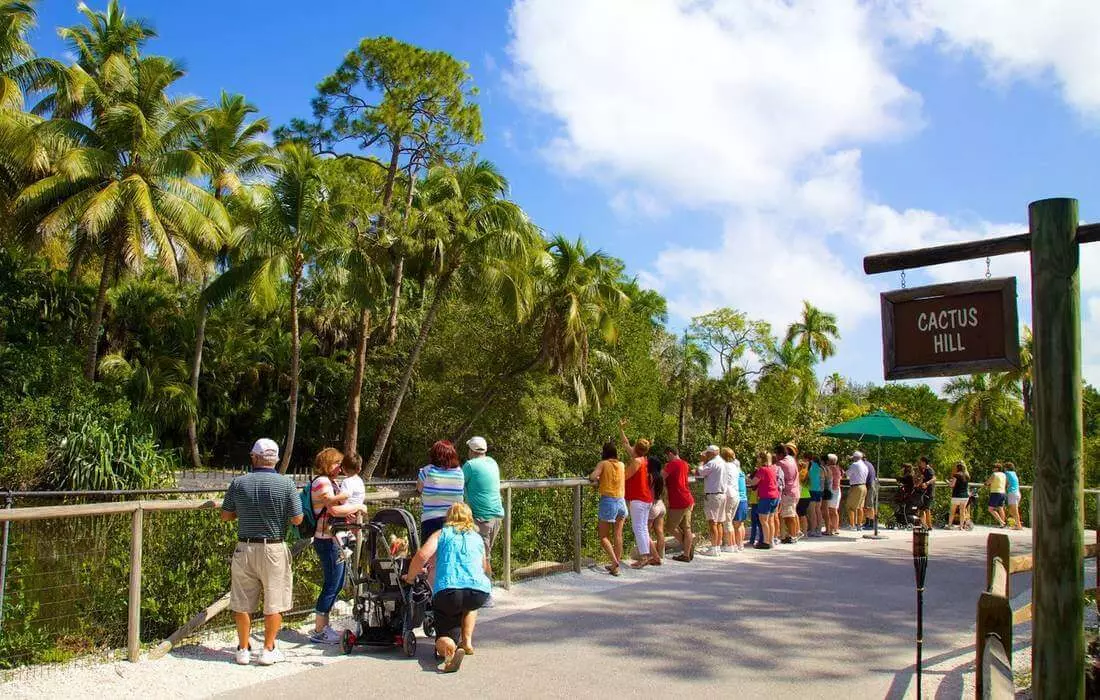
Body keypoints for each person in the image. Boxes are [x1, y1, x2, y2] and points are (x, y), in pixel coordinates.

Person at [220, 438, 303, 666]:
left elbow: (226, 515)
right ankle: (268, 649)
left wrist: (245, 513)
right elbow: (297, 518)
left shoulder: (239, 483)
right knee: (274, 600)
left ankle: (243, 648)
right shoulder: (286, 485)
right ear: (275, 459)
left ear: (254, 457)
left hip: (245, 547)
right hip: (274, 547)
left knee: (242, 601)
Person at [402, 502, 491, 673]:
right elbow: (484, 566)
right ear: (470, 518)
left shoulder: (441, 534)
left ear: (448, 517)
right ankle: (467, 641)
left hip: (448, 591)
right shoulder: (477, 537)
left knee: (444, 634)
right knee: (469, 606)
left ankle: (448, 649)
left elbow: (422, 555)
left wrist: (411, 577)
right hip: (478, 591)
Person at [309, 447, 370, 644]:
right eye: (336, 463)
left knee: (337, 582)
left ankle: (323, 626)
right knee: (332, 583)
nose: (339, 467)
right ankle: (320, 629)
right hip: (327, 538)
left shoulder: (332, 482)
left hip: (334, 538)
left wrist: (349, 511)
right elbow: (334, 510)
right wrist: (359, 507)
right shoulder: (323, 482)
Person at [461, 436, 505, 595]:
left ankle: (485, 593)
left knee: (482, 556)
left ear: (471, 451)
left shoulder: (470, 465)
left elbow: (459, 482)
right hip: (497, 516)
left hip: (481, 518)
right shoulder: (492, 462)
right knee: (485, 554)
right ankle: (480, 589)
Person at [619, 419, 659, 567]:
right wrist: (621, 429)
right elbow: (625, 444)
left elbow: (625, 476)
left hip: (639, 499)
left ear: (637, 447)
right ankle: (654, 556)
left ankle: (643, 558)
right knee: (642, 528)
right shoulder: (642, 458)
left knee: (639, 528)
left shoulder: (636, 462)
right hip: (645, 498)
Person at [590, 441, 627, 575]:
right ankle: (615, 566)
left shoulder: (603, 463)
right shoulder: (622, 464)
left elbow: (592, 477)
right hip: (621, 502)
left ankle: (614, 561)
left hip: (608, 501)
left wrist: (598, 477)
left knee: (603, 536)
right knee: (618, 534)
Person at [418, 440, 465, 541]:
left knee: (430, 555)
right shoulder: (459, 472)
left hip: (431, 519)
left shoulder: (427, 470)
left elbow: (419, 488)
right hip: (454, 519)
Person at [662, 447, 695, 562]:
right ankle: (686, 553)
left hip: (678, 500)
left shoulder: (672, 464)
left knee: (670, 527)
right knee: (686, 527)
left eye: (667, 455)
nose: (667, 458)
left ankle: (687, 547)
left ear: (670, 453)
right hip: (688, 499)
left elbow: (661, 477)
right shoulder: (685, 464)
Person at [696, 444, 727, 556]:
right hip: (722, 494)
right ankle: (717, 546)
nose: (706, 455)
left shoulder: (712, 463)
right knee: (719, 523)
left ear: (712, 453)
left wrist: (701, 461)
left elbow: (701, 471)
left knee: (712, 522)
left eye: (708, 453)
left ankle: (714, 548)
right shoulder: (723, 462)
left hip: (713, 495)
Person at [335, 452, 366, 561]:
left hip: (347, 512)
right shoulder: (360, 481)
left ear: (343, 469)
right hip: (357, 515)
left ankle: (345, 550)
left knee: (332, 528)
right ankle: (348, 546)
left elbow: (343, 497)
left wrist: (335, 497)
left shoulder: (347, 482)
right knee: (349, 533)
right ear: (359, 468)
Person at [749, 451, 779, 549]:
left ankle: (765, 542)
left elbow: (754, 482)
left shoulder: (762, 469)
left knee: (763, 520)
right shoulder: (772, 469)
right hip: (775, 496)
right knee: (770, 520)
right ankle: (771, 540)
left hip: (766, 496)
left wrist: (746, 478)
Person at [776, 443, 800, 544]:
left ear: (780, 454)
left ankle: (792, 535)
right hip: (795, 491)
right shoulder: (792, 459)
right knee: (791, 514)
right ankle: (791, 534)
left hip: (787, 492)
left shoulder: (781, 463)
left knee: (788, 516)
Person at [720, 447, 742, 553]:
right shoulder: (735, 466)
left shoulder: (725, 466)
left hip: (728, 495)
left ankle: (730, 544)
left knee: (727, 521)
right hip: (736, 494)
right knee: (730, 521)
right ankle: (733, 544)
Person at [647, 450, 667, 562]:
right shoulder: (660, 477)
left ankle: (652, 555)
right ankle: (661, 553)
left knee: (645, 532)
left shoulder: (649, 477)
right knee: (660, 531)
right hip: (660, 504)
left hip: (652, 506)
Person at [845, 452, 869, 531]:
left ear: (855, 457)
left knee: (850, 506)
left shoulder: (854, 465)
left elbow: (847, 474)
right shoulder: (865, 466)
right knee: (860, 507)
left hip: (856, 487)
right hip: (864, 486)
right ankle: (859, 525)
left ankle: (852, 525)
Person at [947, 462, 970, 530]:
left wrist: (948, 482)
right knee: (962, 512)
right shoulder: (967, 475)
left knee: (952, 511)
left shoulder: (956, 475)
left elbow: (952, 485)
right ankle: (961, 526)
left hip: (956, 495)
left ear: (957, 468)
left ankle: (949, 525)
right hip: (965, 496)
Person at [807, 453, 825, 537]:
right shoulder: (821, 468)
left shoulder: (810, 466)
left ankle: (813, 530)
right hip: (819, 491)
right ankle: (819, 530)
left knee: (812, 511)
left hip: (812, 490)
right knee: (818, 510)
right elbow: (822, 481)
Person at [985, 462, 1008, 527]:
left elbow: (988, 482)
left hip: (995, 493)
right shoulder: (1004, 475)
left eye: (993, 468)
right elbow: (1006, 483)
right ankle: (1002, 524)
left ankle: (1002, 522)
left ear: (997, 469)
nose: (992, 469)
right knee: (1000, 508)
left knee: (990, 509)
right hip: (1003, 492)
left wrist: (986, 484)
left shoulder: (994, 474)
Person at [916, 456, 936, 529]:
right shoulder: (924, 470)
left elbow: (934, 478)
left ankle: (925, 525)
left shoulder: (929, 470)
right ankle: (928, 525)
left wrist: (926, 483)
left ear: (924, 462)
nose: (920, 463)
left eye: (921, 462)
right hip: (926, 492)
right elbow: (922, 479)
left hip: (928, 492)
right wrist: (917, 485)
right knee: (926, 509)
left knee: (923, 509)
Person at [825, 454, 842, 535]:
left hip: (831, 490)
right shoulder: (838, 468)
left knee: (830, 510)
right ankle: (835, 528)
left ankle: (831, 528)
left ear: (830, 461)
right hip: (837, 490)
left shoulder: (829, 468)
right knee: (834, 510)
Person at [1004, 462, 1024, 530]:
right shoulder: (1014, 473)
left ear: (1006, 468)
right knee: (1011, 511)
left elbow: (1005, 482)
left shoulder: (1007, 473)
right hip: (1017, 493)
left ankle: (1019, 526)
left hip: (1012, 493)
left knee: (1015, 511)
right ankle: (1017, 524)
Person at [796, 454, 811, 537]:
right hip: (807, 496)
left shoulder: (799, 474)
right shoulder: (807, 474)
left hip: (800, 496)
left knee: (798, 515)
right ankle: (805, 532)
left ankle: (798, 531)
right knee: (803, 515)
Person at [862, 457, 879, 530]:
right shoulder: (868, 463)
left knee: (869, 505)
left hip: (870, 486)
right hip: (871, 485)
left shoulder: (864, 465)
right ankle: (867, 522)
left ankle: (872, 524)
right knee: (867, 505)